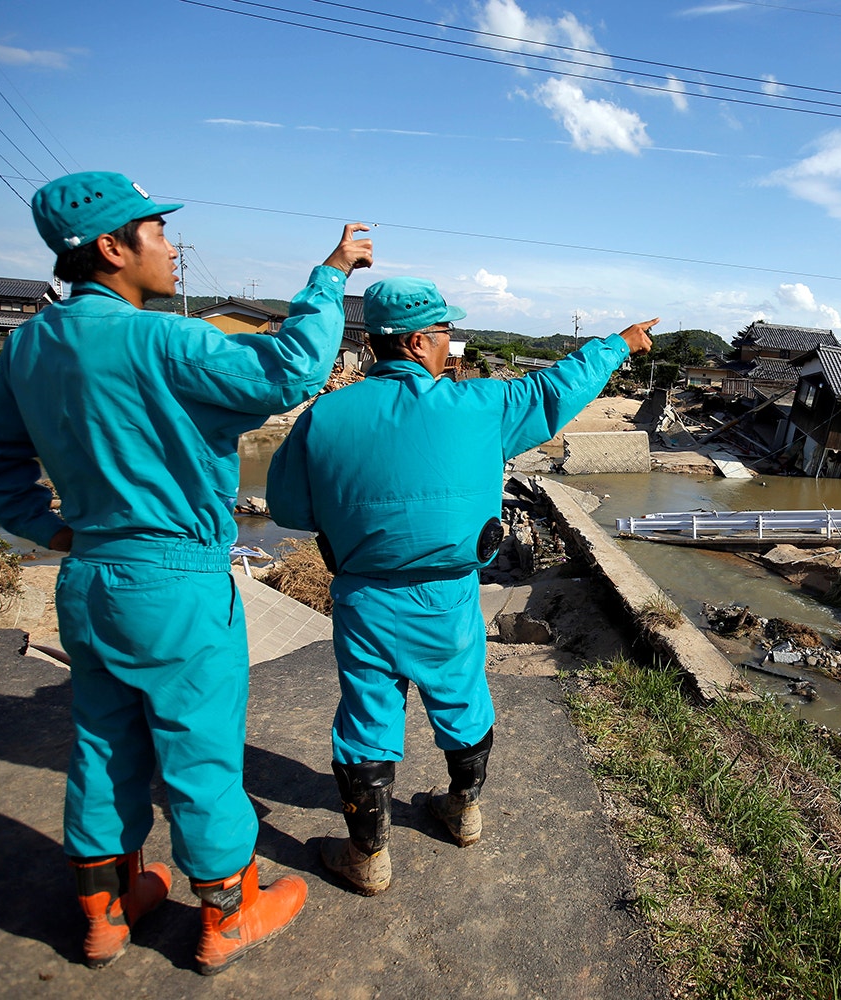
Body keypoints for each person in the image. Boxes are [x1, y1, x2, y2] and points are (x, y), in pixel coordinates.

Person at [0, 171, 373, 974]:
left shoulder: (30, 342)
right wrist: (331, 275)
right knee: (200, 752)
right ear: (113, 247)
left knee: (102, 744)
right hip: (175, 583)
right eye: (158, 232)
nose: (170, 247)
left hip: (90, 578)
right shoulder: (165, 339)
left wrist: (50, 530)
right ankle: (227, 916)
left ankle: (106, 914)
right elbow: (291, 371)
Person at [265, 277, 654, 895]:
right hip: (448, 593)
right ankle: (463, 811)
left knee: (367, 714)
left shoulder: (324, 415)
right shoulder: (482, 407)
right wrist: (618, 345)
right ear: (418, 341)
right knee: (462, 698)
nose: (454, 343)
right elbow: (557, 387)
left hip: (364, 597)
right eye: (447, 332)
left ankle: (369, 856)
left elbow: (287, 506)